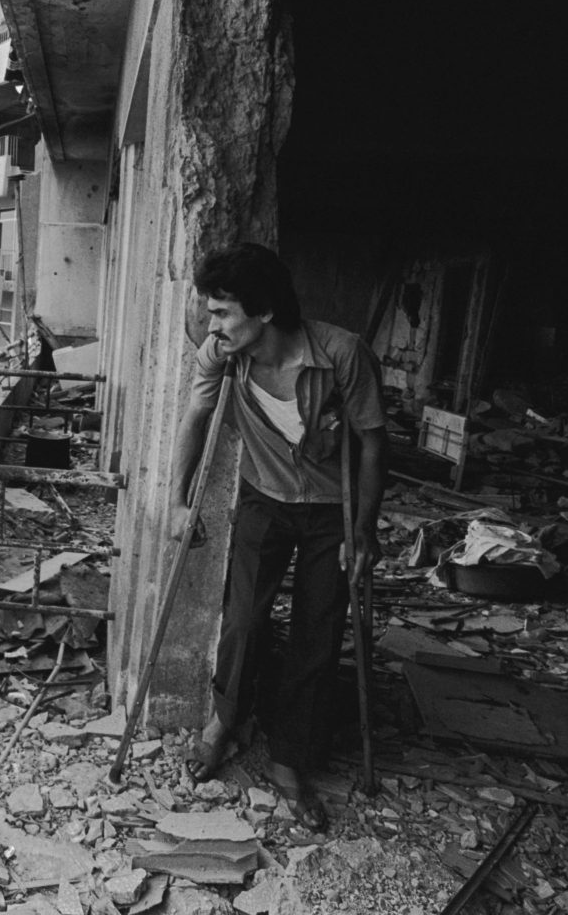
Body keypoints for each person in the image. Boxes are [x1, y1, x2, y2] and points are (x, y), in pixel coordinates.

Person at [175, 243, 386, 832]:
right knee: (244, 618)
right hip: (263, 495)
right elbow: (197, 415)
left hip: (330, 509)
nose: (211, 324)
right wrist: (178, 499)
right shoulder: (222, 355)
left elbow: (373, 442)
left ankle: (290, 758)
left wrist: (364, 530)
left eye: (222, 312)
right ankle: (225, 720)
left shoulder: (341, 354)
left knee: (317, 633)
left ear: (264, 311)